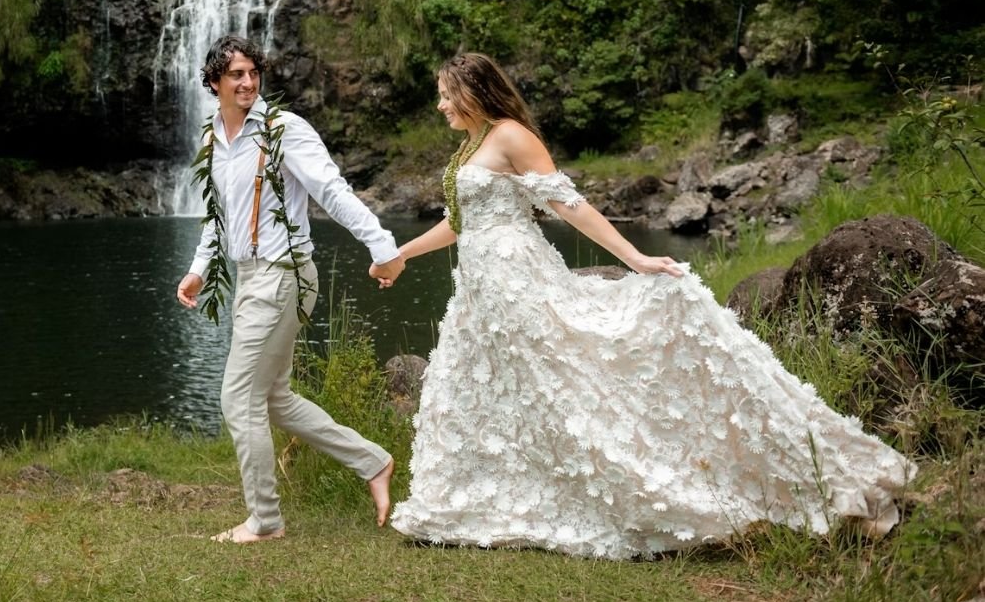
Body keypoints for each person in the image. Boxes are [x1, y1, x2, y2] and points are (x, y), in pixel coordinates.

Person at [375, 52, 915, 558]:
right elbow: (459, 221)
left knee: (563, 379)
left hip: (517, 275)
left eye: (447, 95)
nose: (441, 105)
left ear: (475, 91)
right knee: (507, 390)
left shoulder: (512, 135)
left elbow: (571, 205)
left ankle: (638, 487)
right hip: (481, 286)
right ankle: (502, 493)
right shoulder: (471, 145)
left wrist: (634, 256)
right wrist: (402, 254)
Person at [176, 35, 406, 543]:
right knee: (274, 399)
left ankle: (265, 521)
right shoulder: (214, 138)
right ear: (213, 81)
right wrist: (198, 267)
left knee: (238, 398)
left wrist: (383, 246)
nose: (248, 81)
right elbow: (221, 217)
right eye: (236, 74)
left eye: (253, 72)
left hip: (284, 275)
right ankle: (373, 462)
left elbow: (331, 191)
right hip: (249, 277)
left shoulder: (284, 129)